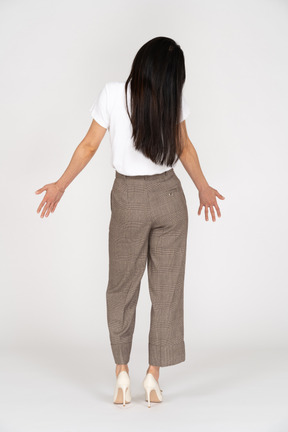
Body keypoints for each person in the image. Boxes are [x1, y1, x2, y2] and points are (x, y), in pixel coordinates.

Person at [35, 36, 225, 408]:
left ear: (142, 61)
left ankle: (122, 373)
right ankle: (153, 377)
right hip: (171, 198)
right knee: (166, 291)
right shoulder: (172, 98)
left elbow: (89, 146)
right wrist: (203, 187)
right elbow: (184, 147)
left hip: (128, 201)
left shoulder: (112, 93)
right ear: (172, 75)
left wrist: (60, 185)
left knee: (122, 288)